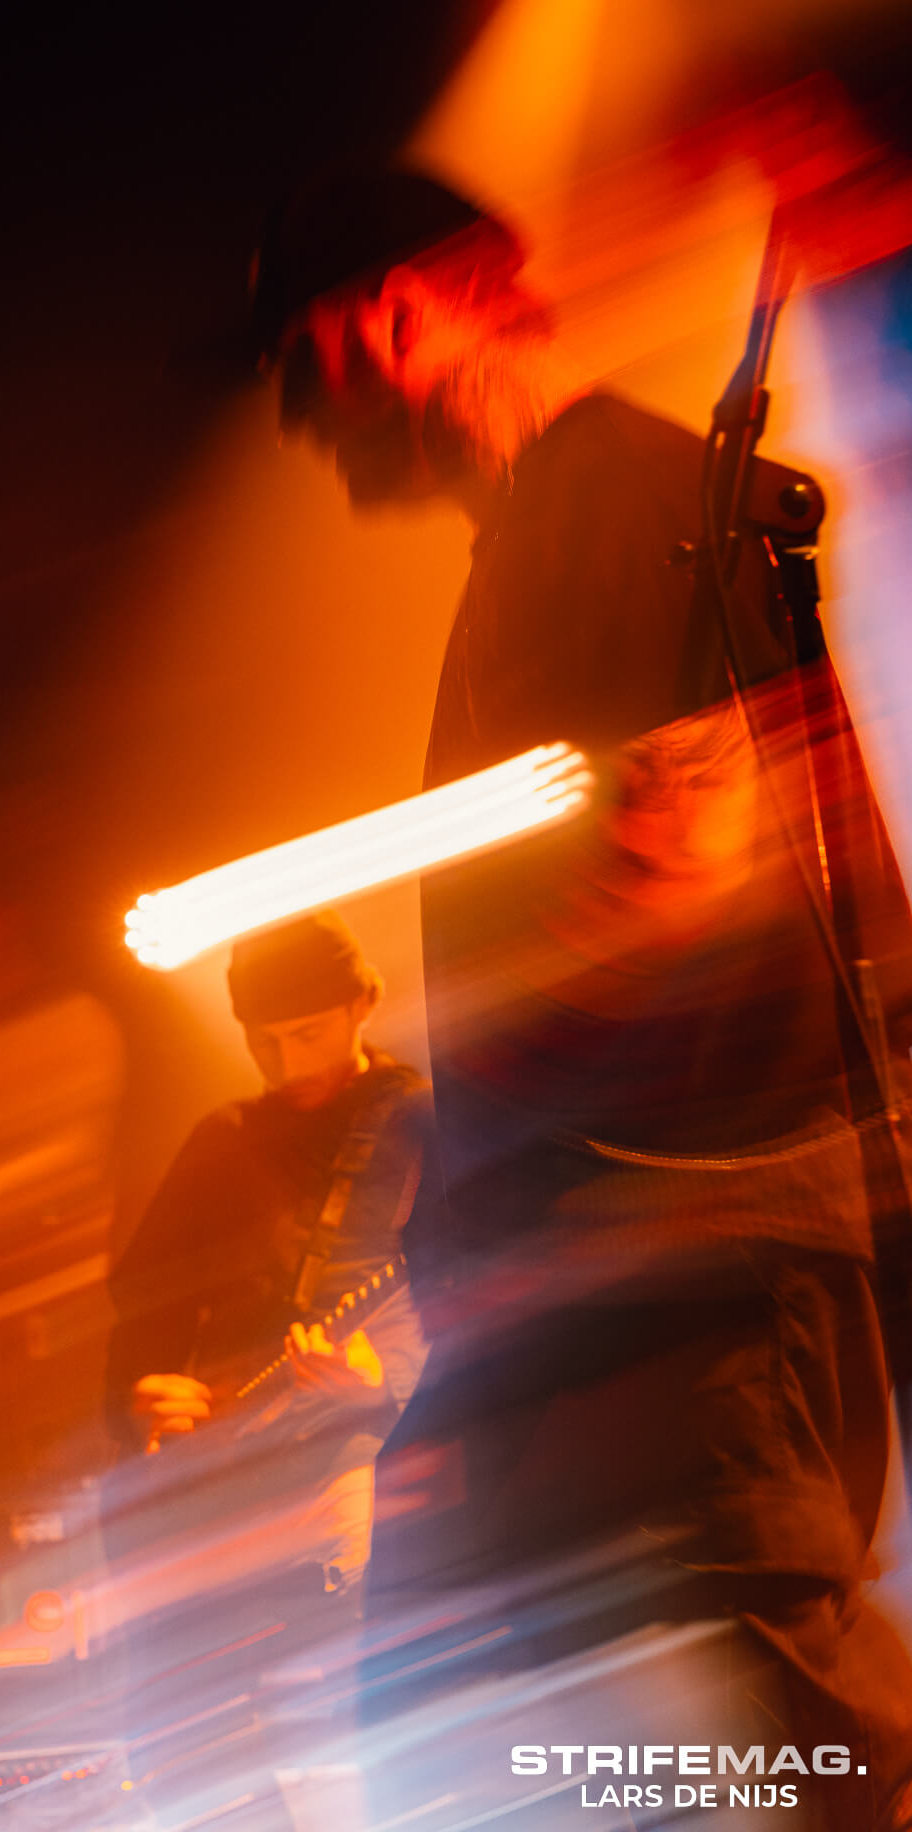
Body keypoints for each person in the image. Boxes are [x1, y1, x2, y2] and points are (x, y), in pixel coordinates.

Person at [249, 169, 912, 1828]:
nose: (294, 418)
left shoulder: (609, 511)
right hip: (593, 1282)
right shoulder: (561, 531)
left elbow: (686, 875)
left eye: (303, 359)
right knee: (485, 1732)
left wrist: (488, 1208)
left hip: (672, 1258)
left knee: (763, 1737)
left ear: (401, 313)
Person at [104, 911, 430, 1827]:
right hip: (224, 1476)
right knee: (193, 1737)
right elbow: (142, 1307)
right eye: (265, 1040)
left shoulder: (424, 1129)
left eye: (310, 1034)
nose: (289, 1066)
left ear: (364, 1002)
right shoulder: (226, 1138)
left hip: (366, 1473)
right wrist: (140, 1399)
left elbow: (491, 1297)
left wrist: (388, 1378)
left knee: (324, 1723)